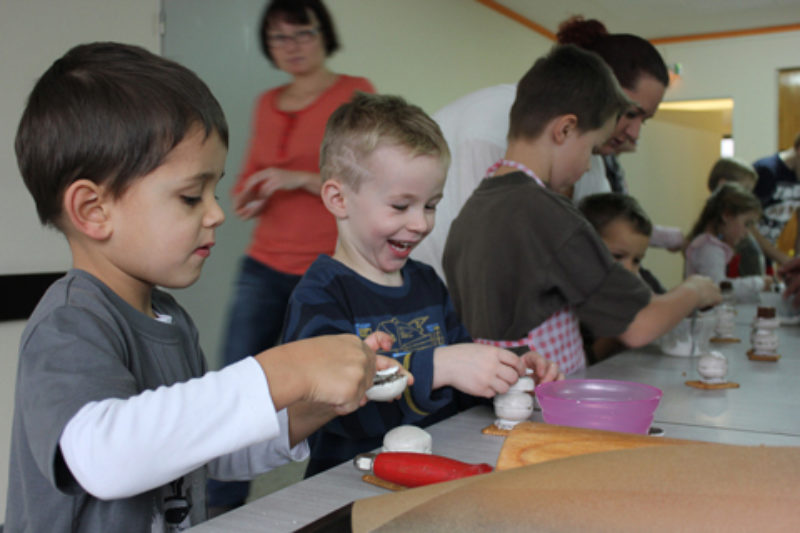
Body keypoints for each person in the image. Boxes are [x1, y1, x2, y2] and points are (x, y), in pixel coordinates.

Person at [5, 42, 407, 532]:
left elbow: (205, 451)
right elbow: (102, 457)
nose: (215, 213)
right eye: (190, 196)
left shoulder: (170, 320)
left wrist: (313, 402)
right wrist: (283, 371)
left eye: (213, 193)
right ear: (94, 210)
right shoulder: (70, 323)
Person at [281, 92, 563, 477]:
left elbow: (457, 383)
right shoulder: (320, 296)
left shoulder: (426, 281)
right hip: (351, 492)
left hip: (434, 476)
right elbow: (333, 413)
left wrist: (507, 367)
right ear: (338, 198)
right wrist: (439, 366)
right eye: (401, 206)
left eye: (430, 205)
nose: (420, 224)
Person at [443, 44, 721, 375]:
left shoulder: (473, 210)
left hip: (499, 402)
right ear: (564, 130)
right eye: (590, 148)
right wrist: (696, 288)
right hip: (549, 406)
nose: (590, 165)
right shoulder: (549, 215)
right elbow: (639, 325)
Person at [212, 0, 375, 510]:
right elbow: (248, 177)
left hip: (327, 269)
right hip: (263, 265)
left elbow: (364, 177)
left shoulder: (355, 92)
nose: (293, 47)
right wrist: (251, 192)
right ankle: (218, 508)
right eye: (280, 38)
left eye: (302, 33)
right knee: (236, 390)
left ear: (323, 34)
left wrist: (297, 179)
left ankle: (325, 503)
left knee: (330, 393)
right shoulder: (266, 103)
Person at [412, 16, 678, 279]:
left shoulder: (589, 157)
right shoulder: (489, 129)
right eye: (630, 113)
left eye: (645, 120)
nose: (635, 133)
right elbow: (487, 262)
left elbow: (602, 247)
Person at [578, 193, 653, 363]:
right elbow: (586, 362)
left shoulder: (637, 286)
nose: (628, 269)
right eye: (618, 256)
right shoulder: (578, 295)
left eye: (636, 260)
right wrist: (618, 335)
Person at [685, 183, 773, 301]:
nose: (747, 233)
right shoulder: (709, 248)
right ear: (727, 215)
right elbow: (717, 288)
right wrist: (759, 283)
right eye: (746, 224)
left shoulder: (712, 245)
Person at [705, 157, 775, 277]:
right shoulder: (709, 234)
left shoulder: (742, 237)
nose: (749, 195)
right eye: (745, 189)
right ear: (723, 184)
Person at [752, 131, 800, 266]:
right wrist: (784, 260)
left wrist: (796, 260)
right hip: (744, 255)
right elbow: (746, 224)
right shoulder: (767, 172)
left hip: (767, 258)